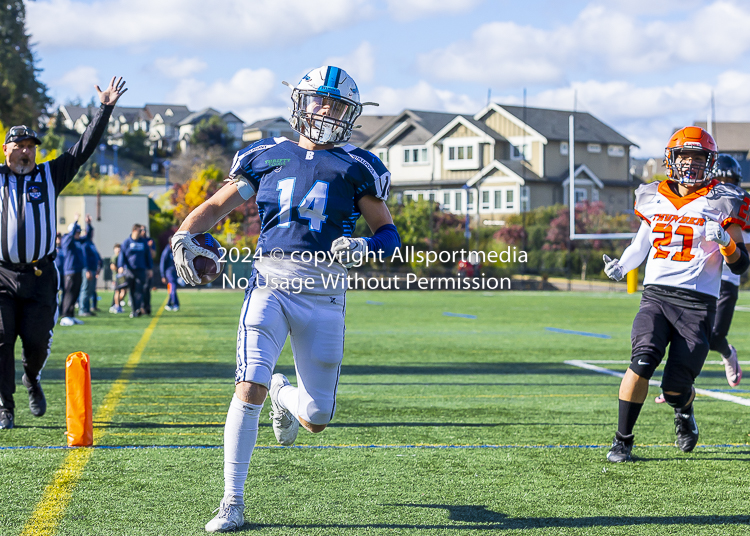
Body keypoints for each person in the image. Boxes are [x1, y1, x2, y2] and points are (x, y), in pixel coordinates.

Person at [171, 66, 399, 532]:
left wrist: (364, 247)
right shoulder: (266, 155)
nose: (327, 111)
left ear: (350, 114)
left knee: (316, 417)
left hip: (325, 293)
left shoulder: (359, 167)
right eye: (321, 101)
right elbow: (217, 205)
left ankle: (283, 392)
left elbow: (389, 236)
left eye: (337, 105)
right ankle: (231, 502)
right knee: (246, 384)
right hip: (270, 284)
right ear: (301, 102)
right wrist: (184, 232)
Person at [603, 127, 750, 462]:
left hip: (696, 304)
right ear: (672, 159)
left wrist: (725, 242)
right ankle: (622, 441)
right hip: (655, 296)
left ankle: (684, 411)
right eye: (685, 157)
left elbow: (741, 265)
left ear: (709, 163)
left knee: (674, 387)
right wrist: (623, 266)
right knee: (641, 362)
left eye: (698, 158)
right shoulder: (653, 195)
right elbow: (641, 244)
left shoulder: (723, 200)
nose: (690, 165)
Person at [0, 76, 127, 430]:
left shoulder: (50, 175)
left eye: (31, 146)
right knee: (0, 339)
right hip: (2, 275)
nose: (26, 151)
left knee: (37, 342)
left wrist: (104, 109)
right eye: (19, 146)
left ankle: (32, 378)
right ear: (6, 150)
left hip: (41, 275)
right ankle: (5, 406)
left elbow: (83, 149)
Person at [117, 224, 153, 318]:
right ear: (134, 231)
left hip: (141, 270)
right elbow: (122, 255)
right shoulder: (126, 242)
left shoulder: (143, 242)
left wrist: (149, 268)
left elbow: (147, 256)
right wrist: (120, 266)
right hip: (129, 271)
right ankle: (134, 310)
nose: (142, 232)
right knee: (132, 291)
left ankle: (138, 308)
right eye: (140, 231)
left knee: (140, 290)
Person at [59, 216, 88, 326]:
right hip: (70, 271)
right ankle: (65, 315)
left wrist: (88, 225)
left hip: (78, 270)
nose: (79, 233)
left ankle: (71, 315)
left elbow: (88, 237)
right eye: (77, 231)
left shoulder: (78, 241)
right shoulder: (67, 239)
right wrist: (75, 221)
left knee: (75, 294)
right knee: (69, 294)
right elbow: (70, 235)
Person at [78, 215, 101, 317]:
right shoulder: (84, 243)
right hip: (87, 270)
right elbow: (84, 258)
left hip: (92, 269)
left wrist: (89, 224)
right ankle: (83, 310)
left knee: (90, 290)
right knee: (85, 289)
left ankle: (87, 309)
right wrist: (87, 269)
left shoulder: (90, 242)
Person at [140, 226, 156, 315]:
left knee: (147, 289)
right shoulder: (138, 241)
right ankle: (140, 307)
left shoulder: (150, 241)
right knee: (140, 289)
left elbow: (153, 255)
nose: (143, 232)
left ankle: (147, 307)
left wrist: (149, 247)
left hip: (147, 268)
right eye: (142, 230)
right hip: (140, 268)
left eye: (145, 230)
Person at [160, 239, 179, 311]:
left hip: (175, 272)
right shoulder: (166, 251)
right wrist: (163, 276)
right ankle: (175, 304)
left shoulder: (176, 250)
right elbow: (162, 264)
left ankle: (169, 304)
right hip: (169, 272)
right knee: (173, 287)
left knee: (173, 288)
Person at [109, 243, 127, 314]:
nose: (119, 250)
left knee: (124, 292)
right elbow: (112, 266)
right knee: (117, 292)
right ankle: (116, 306)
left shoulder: (122, 256)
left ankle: (116, 305)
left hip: (122, 278)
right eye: (117, 248)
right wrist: (119, 270)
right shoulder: (115, 257)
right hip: (117, 278)